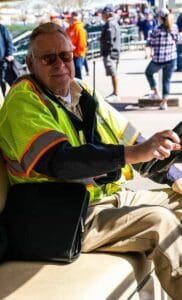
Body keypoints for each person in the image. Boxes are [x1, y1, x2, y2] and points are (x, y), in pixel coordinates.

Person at [0, 22, 182, 300]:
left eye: (65, 56)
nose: (59, 64)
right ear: (30, 63)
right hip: (66, 217)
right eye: (49, 58)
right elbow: (58, 161)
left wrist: (175, 173)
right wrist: (130, 154)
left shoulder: (82, 93)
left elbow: (139, 149)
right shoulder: (23, 101)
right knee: (160, 222)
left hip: (110, 198)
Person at [145, 8, 178, 110]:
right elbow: (176, 40)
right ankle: (164, 103)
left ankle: (155, 92)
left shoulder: (155, 30)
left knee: (148, 72)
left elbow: (150, 43)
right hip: (171, 59)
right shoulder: (174, 27)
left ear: (159, 18)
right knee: (166, 81)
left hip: (159, 60)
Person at [100, 6, 121, 102]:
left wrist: (106, 51)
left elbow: (109, 40)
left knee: (113, 73)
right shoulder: (114, 22)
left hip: (110, 53)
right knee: (113, 73)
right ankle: (115, 92)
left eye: (102, 13)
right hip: (114, 52)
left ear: (107, 14)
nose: (101, 15)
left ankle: (116, 93)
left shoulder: (110, 23)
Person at [66, 11, 87, 79]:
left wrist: (77, 53)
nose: (68, 19)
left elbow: (82, 42)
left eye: (70, 18)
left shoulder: (79, 28)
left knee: (77, 70)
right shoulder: (68, 29)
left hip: (78, 54)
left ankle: (81, 87)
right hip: (71, 54)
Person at [0, 22, 14, 97]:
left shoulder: (1, 28)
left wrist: (10, 54)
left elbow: (9, 42)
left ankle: (4, 97)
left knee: (2, 81)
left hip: (2, 61)